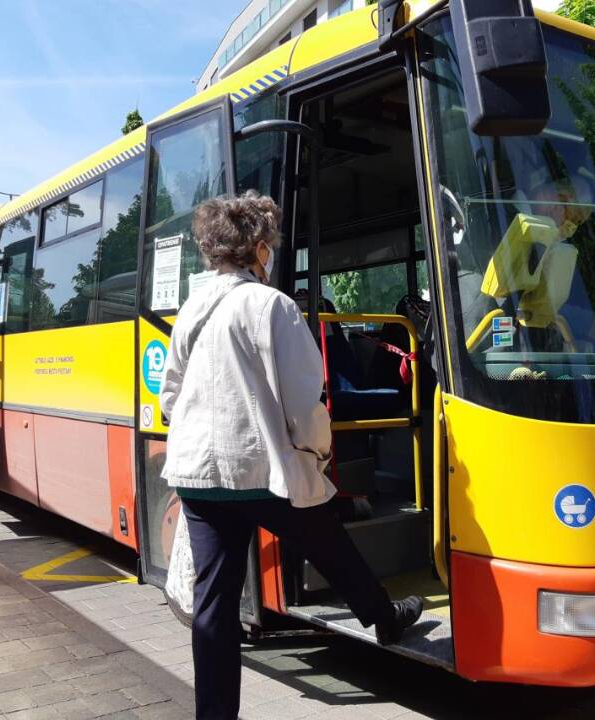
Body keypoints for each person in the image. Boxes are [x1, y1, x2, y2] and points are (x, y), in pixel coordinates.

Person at [159, 191, 423, 720]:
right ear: (258, 248)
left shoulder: (193, 307)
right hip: (258, 470)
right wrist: (318, 453)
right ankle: (385, 618)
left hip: (196, 475)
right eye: (270, 244)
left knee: (214, 605)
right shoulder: (272, 306)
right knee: (330, 542)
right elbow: (306, 401)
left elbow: (171, 394)